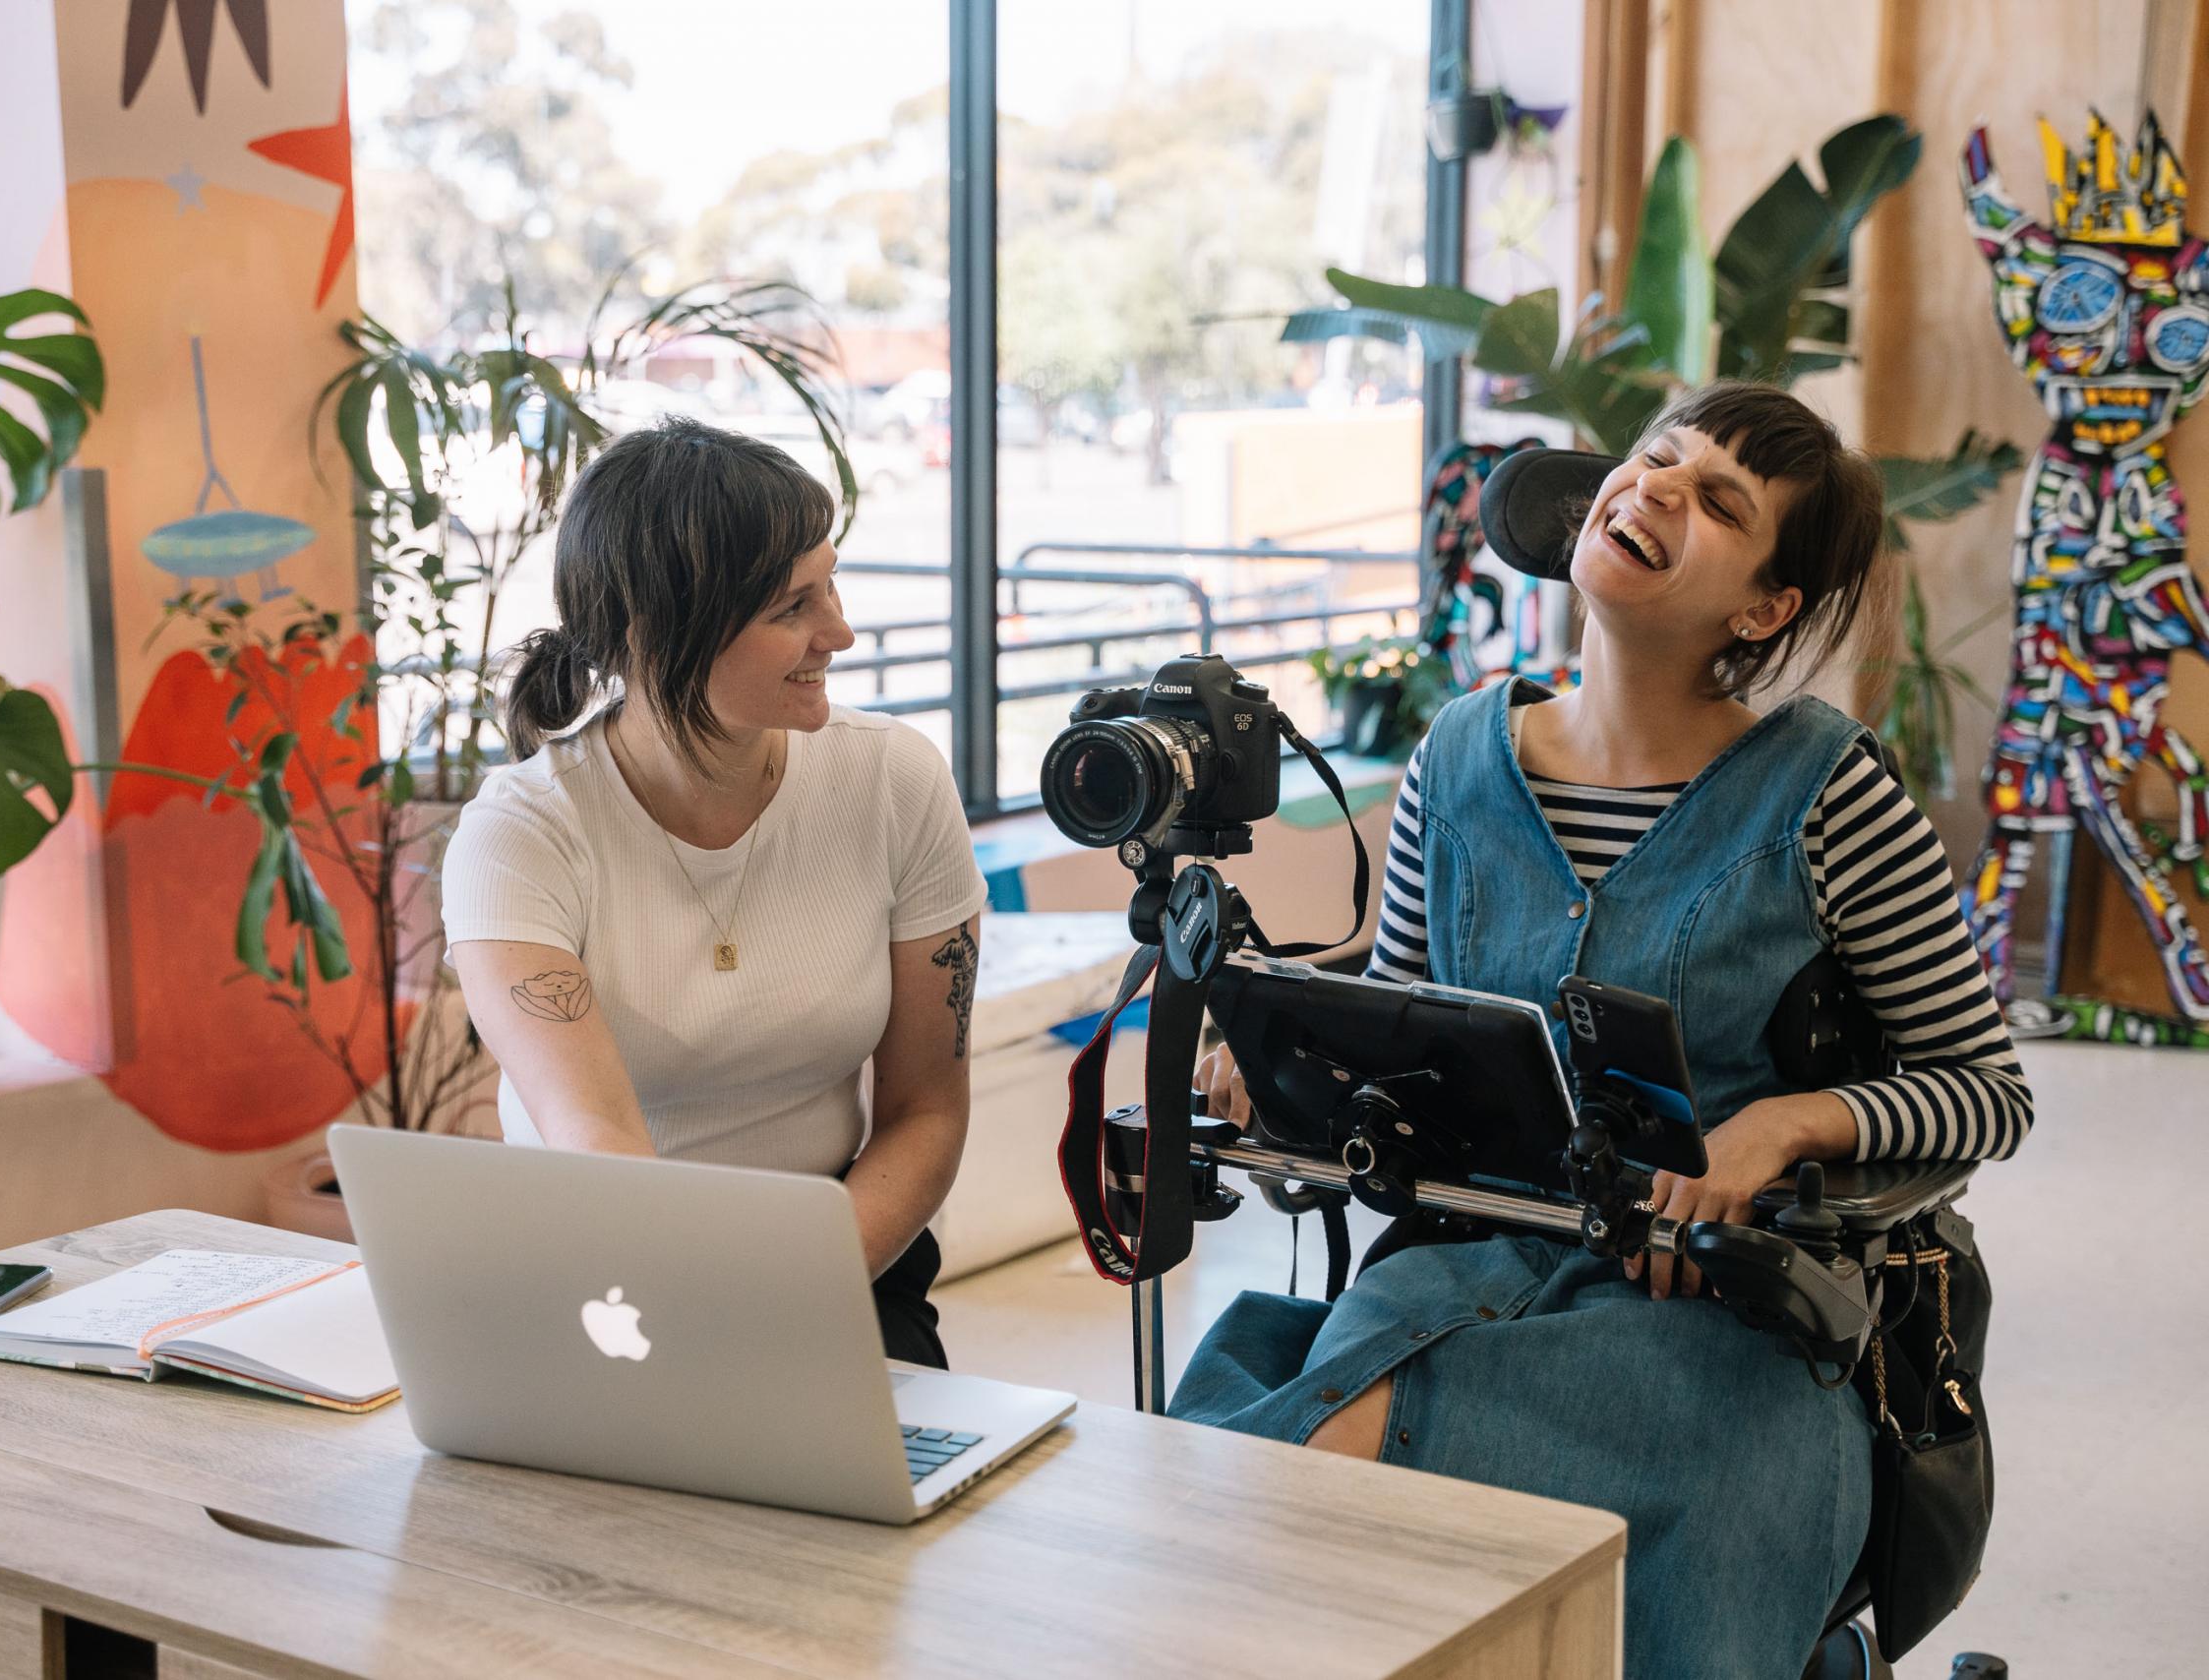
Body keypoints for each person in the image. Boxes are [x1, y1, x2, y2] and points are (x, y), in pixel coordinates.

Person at [1180, 382, 2033, 1679]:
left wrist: (1789, 1124)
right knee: (1274, 1507)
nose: (1658, 490)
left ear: (1764, 609)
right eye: (1656, 460)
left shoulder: (1828, 793)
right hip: (1470, 1271)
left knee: (1529, 1512)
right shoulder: (1458, 758)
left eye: (1720, 502)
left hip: (1727, 1325)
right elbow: (1410, 1048)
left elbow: (1985, 1089)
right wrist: (1291, 1066)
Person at [440, 418, 986, 1367]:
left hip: (834, 1250)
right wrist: (696, 1319)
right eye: (791, 608)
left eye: (832, 584)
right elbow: (593, 1138)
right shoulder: (521, 834)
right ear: (656, 634)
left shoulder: (895, 781)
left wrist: (784, 1288)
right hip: (597, 1273)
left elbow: (926, 1111)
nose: (840, 632)